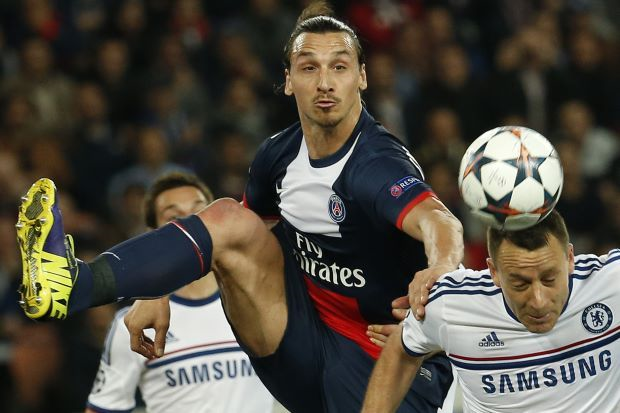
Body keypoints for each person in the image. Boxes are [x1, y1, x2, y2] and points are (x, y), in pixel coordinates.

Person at [15, 3, 464, 412]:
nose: (325, 82)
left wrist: (441, 268)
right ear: (288, 79)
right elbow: (222, 244)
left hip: (384, 360)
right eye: (309, 67)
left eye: (339, 67)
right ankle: (72, 285)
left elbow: (439, 221)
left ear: (361, 77)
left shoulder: (377, 163)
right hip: (304, 345)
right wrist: (157, 289)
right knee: (230, 217)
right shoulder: (278, 157)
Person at [362, 210, 620, 412]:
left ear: (570, 258)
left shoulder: (611, 283)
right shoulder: (451, 306)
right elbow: (400, 349)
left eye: (550, 279)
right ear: (493, 271)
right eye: (520, 284)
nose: (539, 301)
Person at [85, 172, 275, 413]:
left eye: (200, 214)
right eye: (174, 219)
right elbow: (103, 408)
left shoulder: (258, 300)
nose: (190, 227)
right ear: (153, 237)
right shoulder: (134, 323)